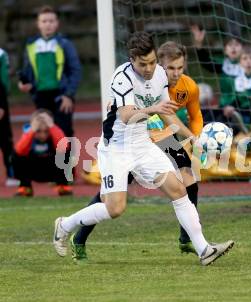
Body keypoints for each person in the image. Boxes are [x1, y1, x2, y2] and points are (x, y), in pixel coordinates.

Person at [52, 32, 234, 266]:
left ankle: (204, 250)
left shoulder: (160, 74)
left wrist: (192, 137)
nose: (149, 68)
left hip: (142, 146)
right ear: (132, 59)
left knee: (179, 189)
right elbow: (127, 116)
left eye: (151, 62)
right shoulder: (121, 78)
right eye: (142, 64)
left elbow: (167, 113)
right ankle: (65, 225)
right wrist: (154, 108)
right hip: (116, 148)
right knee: (115, 208)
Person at [18, 5, 81, 137]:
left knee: (64, 131)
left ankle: (68, 158)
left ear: (57, 23)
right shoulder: (31, 45)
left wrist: (69, 94)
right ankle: (50, 159)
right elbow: (27, 70)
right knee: (45, 132)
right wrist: (24, 83)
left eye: (51, 21)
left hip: (61, 95)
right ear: (38, 24)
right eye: (44, 21)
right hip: (40, 96)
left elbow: (75, 71)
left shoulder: (65, 44)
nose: (48, 24)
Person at [13, 109, 71, 196]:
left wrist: (51, 126)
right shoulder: (28, 134)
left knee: (67, 151)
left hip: (52, 169)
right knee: (16, 155)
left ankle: (62, 186)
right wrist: (32, 130)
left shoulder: (55, 132)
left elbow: (64, 147)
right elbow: (19, 151)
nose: (42, 135)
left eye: (46, 131)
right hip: (33, 169)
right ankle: (25, 187)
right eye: (39, 131)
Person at [220, 45, 251, 132]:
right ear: (240, 62)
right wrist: (229, 107)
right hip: (240, 111)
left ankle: (245, 126)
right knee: (222, 118)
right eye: (244, 58)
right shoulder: (238, 79)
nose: (248, 61)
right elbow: (235, 99)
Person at [0, 47, 17, 187]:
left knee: (5, 139)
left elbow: (3, 82)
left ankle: (12, 174)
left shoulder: (1, 54)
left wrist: (1, 104)